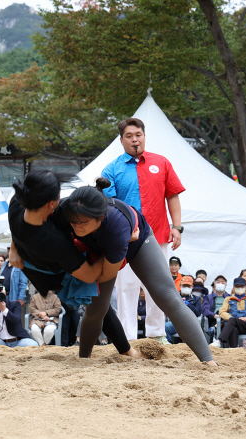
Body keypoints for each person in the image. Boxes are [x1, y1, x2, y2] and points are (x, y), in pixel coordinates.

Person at [60, 182, 215, 364]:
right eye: (73, 222)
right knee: (96, 308)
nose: (77, 227)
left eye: (83, 222)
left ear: (100, 217)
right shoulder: (65, 208)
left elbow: (106, 274)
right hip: (98, 248)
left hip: (136, 242)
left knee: (168, 298)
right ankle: (83, 358)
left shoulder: (117, 226)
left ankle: (208, 360)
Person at [7, 170, 141, 359]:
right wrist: (118, 244)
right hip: (53, 273)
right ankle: (123, 351)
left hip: (30, 260)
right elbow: (91, 275)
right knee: (97, 304)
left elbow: (15, 227)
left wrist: (14, 248)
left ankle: (126, 350)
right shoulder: (54, 242)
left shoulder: (18, 201)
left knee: (100, 307)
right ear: (50, 204)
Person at [101, 117, 185, 344]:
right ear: (121, 141)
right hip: (126, 238)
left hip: (158, 235)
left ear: (144, 136)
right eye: (129, 136)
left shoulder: (162, 163)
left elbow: (172, 196)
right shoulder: (112, 169)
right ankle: (126, 337)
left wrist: (177, 227)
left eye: (138, 135)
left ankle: (156, 334)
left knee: (158, 286)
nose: (134, 139)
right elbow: (109, 206)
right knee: (126, 287)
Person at [209, 277, 246, 349]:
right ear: (234, 287)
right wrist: (230, 318)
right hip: (232, 325)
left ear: (245, 287)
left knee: (233, 321)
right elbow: (222, 312)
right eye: (237, 286)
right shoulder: (228, 299)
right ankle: (234, 351)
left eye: (241, 286)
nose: (239, 288)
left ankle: (220, 340)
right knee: (233, 328)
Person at [166, 275, 201, 342]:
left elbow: (198, 312)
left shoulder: (196, 299)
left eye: (188, 286)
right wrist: (178, 303)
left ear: (192, 287)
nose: (186, 288)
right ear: (180, 286)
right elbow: (168, 310)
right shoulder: (174, 297)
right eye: (184, 286)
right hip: (176, 322)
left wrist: (188, 304)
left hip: (190, 322)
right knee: (165, 327)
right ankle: (168, 346)